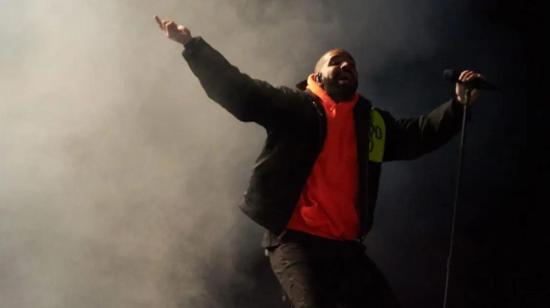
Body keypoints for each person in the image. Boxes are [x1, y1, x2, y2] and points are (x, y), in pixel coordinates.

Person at [154, 16, 484, 308]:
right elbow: (241, 91)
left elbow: (418, 135)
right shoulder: (296, 107)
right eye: (336, 62)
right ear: (318, 75)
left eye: (351, 63)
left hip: (346, 248)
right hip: (296, 241)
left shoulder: (371, 122)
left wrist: (457, 105)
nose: (346, 66)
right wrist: (192, 46)